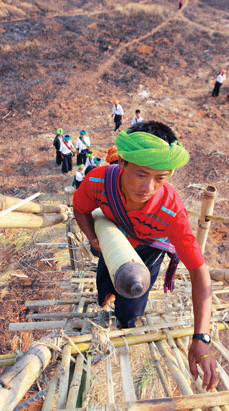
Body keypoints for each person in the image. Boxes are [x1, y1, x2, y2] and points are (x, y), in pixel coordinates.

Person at [73, 121, 220, 391]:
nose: (149, 187)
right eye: (141, 174)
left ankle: (126, 323)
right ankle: (106, 297)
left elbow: (200, 271)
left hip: (150, 248)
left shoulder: (171, 211)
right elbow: (79, 208)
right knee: (105, 280)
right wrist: (94, 239)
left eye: (160, 178)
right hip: (113, 242)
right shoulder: (97, 181)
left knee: (134, 289)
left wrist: (202, 337)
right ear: (123, 164)